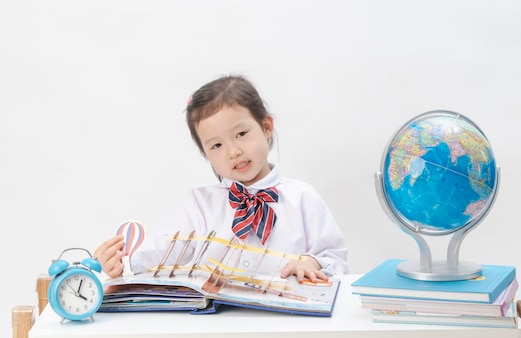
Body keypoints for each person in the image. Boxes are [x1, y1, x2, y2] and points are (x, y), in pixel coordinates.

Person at [95, 74, 348, 283]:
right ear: (205, 153)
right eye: (216, 145)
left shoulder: (302, 197)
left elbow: (335, 259)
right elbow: (162, 247)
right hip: (218, 324)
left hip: (287, 321)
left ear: (267, 127)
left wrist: (311, 261)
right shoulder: (200, 204)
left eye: (240, 134)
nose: (233, 152)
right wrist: (122, 261)